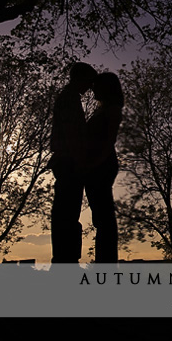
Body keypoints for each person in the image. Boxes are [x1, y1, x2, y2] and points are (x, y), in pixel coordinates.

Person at [49, 62, 97, 263]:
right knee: (67, 214)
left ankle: (65, 257)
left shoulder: (69, 98)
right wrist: (80, 162)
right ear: (81, 78)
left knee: (66, 213)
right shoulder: (69, 99)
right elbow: (70, 134)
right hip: (69, 163)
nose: (90, 87)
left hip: (67, 161)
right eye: (89, 81)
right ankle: (65, 259)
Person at [83, 71, 123, 263]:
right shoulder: (102, 109)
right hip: (96, 165)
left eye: (96, 86)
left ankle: (106, 264)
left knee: (105, 219)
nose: (92, 90)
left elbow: (109, 142)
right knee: (101, 218)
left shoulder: (112, 110)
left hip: (102, 165)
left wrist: (95, 163)